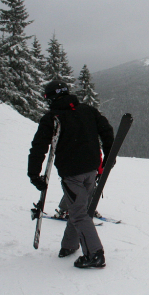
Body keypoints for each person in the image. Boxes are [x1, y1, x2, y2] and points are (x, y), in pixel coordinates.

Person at [28, 80, 114, 268]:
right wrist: (108, 159)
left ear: (50, 97)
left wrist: (34, 175)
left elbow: (39, 148)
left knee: (78, 213)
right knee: (79, 209)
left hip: (72, 172)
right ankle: (69, 245)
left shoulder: (52, 118)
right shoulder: (88, 111)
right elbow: (107, 132)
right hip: (92, 169)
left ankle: (94, 254)